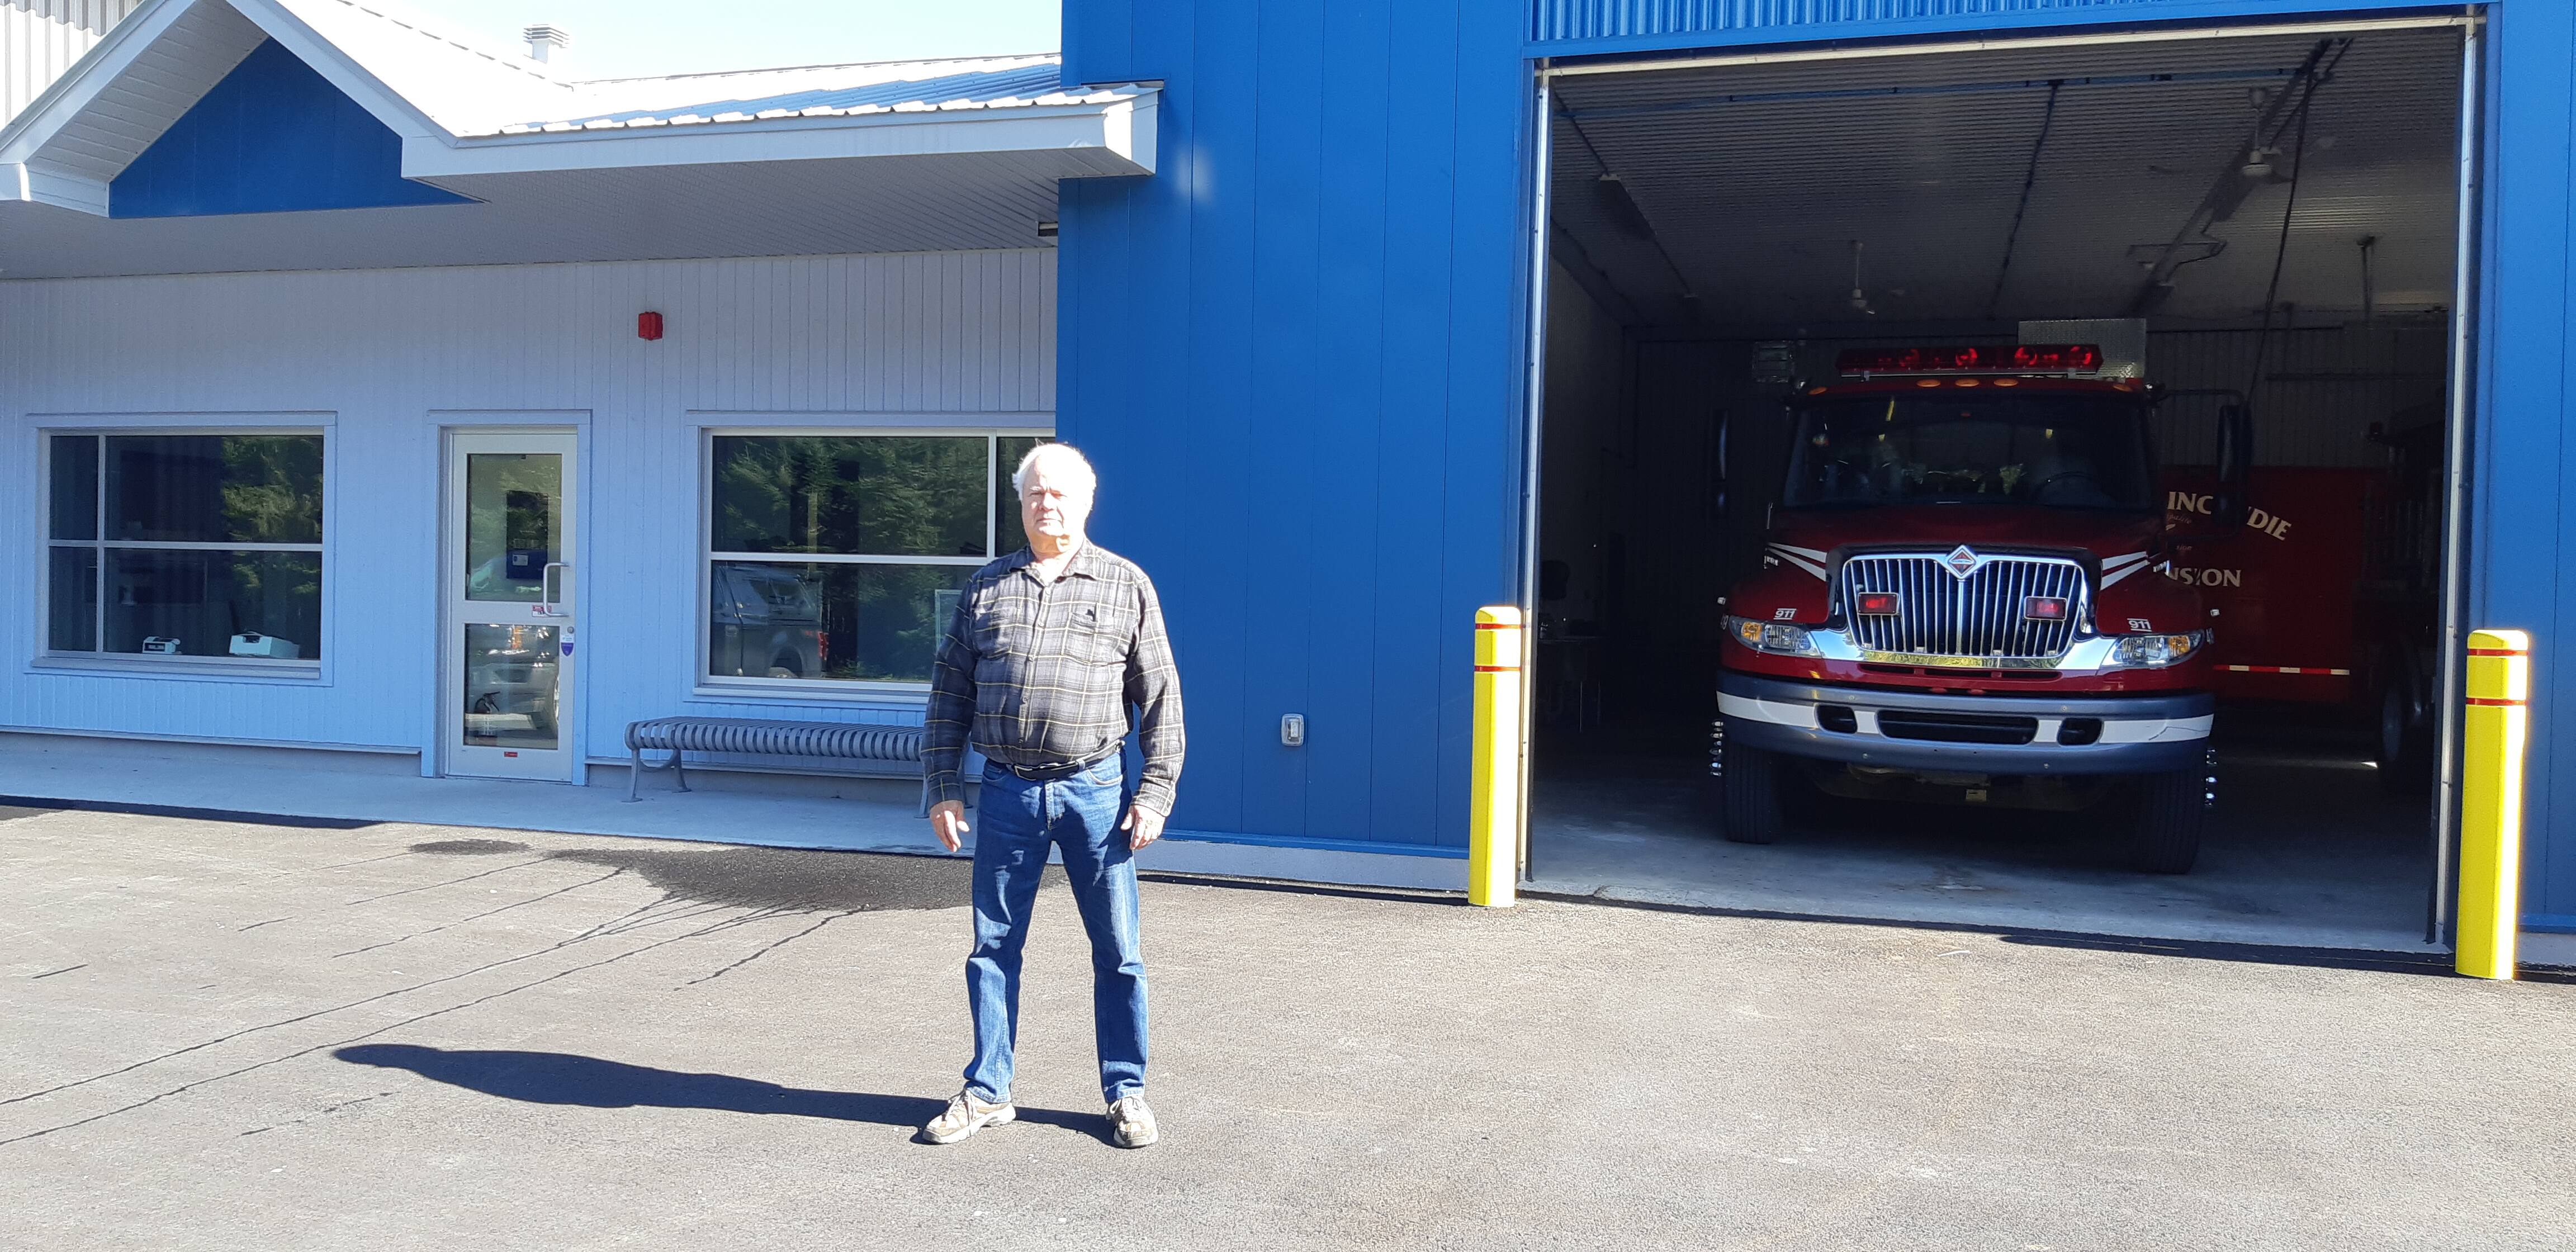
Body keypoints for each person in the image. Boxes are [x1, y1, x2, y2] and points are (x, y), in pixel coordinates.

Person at [917, 442, 1185, 1149]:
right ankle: (988, 1089)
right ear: (1021, 500)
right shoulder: (986, 589)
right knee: (993, 946)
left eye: (1060, 492)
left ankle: (1126, 1090)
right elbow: (949, 695)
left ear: (1087, 500)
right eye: (1035, 491)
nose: (1047, 503)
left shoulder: (1126, 585)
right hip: (1006, 789)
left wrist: (1154, 791)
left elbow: (1161, 698)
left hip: (1097, 791)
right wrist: (944, 787)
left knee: (1119, 949)